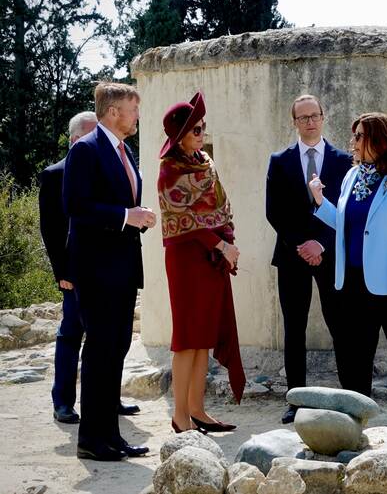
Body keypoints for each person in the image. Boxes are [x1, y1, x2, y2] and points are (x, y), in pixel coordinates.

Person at [309, 112, 387, 433]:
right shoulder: (352, 177)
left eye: (359, 136)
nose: (354, 142)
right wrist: (321, 202)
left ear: (379, 139)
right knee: (353, 355)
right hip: (353, 282)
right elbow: (348, 228)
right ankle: (355, 415)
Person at [63, 83, 156, 461]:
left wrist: (137, 218)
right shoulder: (86, 150)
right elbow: (76, 206)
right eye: (133, 110)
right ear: (114, 111)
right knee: (100, 351)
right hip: (97, 270)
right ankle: (91, 440)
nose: (137, 117)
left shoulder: (125, 150)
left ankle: (111, 435)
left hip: (122, 268)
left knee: (116, 350)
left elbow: (119, 201)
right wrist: (125, 217)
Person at [39, 111, 142, 424]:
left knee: (113, 339)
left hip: (109, 271)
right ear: (74, 140)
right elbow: (52, 230)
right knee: (71, 334)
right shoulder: (54, 173)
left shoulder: (113, 165)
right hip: (77, 272)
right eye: (88, 135)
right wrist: (63, 273)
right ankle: (64, 402)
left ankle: (109, 399)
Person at [157, 92, 245, 433]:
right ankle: (179, 416)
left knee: (204, 336)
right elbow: (184, 220)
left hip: (211, 258)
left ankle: (197, 409)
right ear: (179, 135)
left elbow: (219, 208)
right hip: (187, 259)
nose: (201, 134)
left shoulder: (205, 162)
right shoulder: (169, 170)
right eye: (195, 130)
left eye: (203, 128)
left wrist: (227, 244)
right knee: (186, 337)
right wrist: (221, 244)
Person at [265, 94, 353, 424]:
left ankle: (349, 395)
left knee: (340, 325)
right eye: (302, 118)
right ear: (294, 122)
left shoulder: (343, 160)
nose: (309, 122)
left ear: (323, 116)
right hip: (291, 256)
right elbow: (274, 211)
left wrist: (322, 244)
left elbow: (346, 212)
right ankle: (295, 399)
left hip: (331, 257)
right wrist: (302, 244)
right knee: (294, 329)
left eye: (314, 115)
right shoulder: (280, 160)